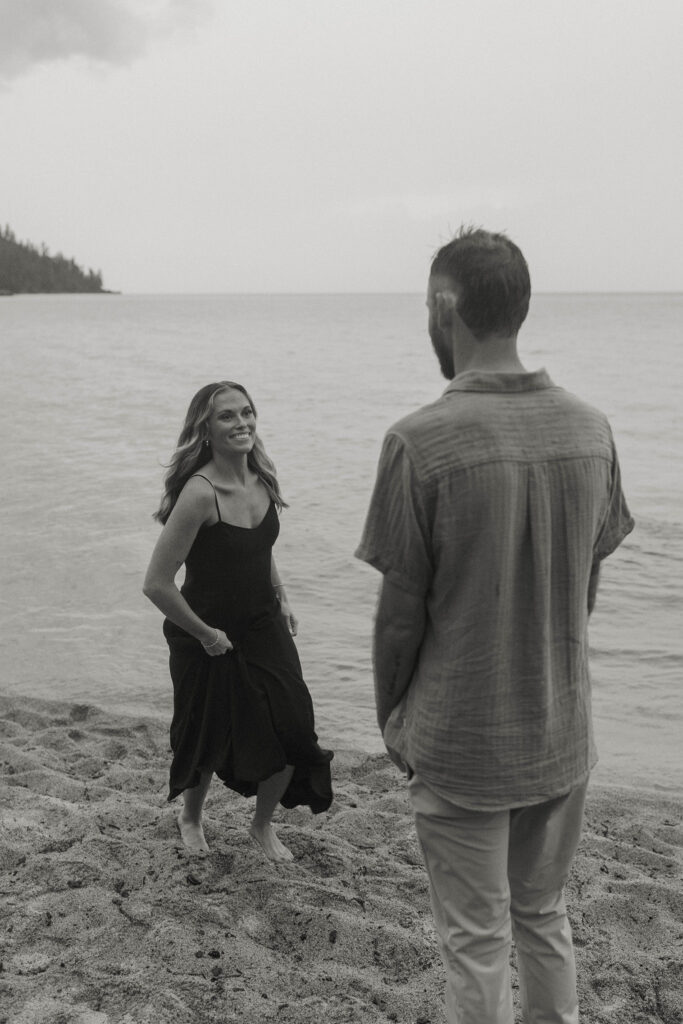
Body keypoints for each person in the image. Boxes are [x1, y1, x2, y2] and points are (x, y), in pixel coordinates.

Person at [355, 227, 634, 1024]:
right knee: (542, 915)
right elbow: (583, 589)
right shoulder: (590, 429)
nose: (426, 322)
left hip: (463, 744)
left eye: (426, 306)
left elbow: (399, 621)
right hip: (560, 731)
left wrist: (391, 716)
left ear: (446, 307)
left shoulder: (419, 441)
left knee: (476, 941)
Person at [144, 381, 333, 863]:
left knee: (294, 726)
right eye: (227, 416)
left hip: (263, 624)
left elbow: (259, 548)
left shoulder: (262, 478)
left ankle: (262, 825)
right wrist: (206, 635)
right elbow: (157, 584)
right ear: (205, 429)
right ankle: (191, 817)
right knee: (206, 734)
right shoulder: (199, 493)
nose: (241, 422)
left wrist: (282, 595)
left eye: (246, 412)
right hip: (203, 631)